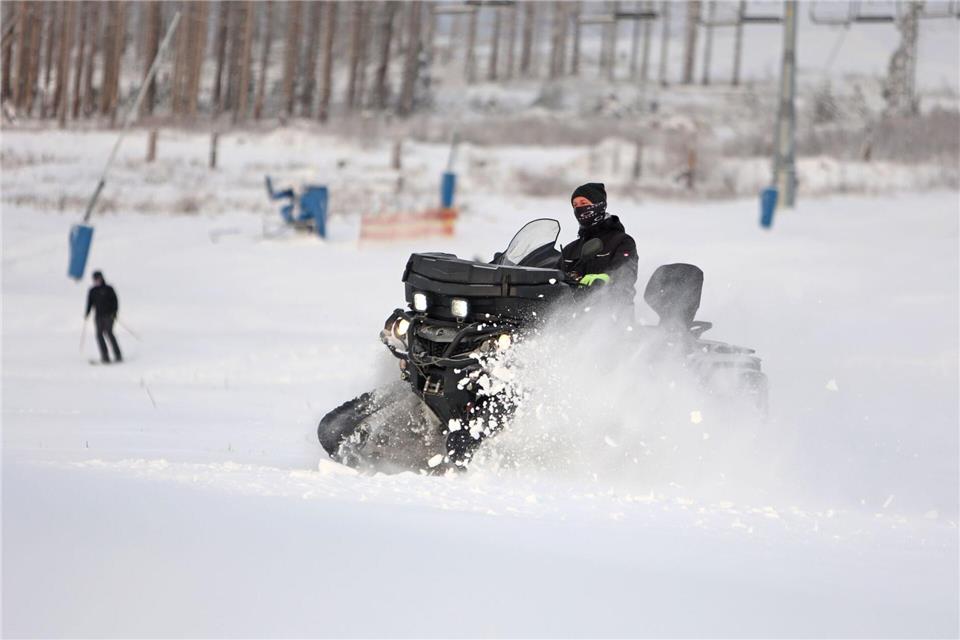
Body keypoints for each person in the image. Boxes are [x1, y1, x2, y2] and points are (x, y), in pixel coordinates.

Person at [561, 183, 639, 310]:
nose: (579, 208)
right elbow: (554, 278)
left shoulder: (622, 242)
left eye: (584, 203)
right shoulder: (570, 250)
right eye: (575, 205)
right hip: (570, 313)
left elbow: (626, 275)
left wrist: (605, 279)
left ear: (599, 205)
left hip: (612, 313)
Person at [85, 270, 122, 364]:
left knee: (109, 332)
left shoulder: (109, 289)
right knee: (99, 335)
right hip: (98, 316)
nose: (97, 281)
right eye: (95, 279)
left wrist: (114, 312)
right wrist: (87, 313)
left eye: (98, 278)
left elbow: (115, 301)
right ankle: (105, 356)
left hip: (109, 315)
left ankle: (118, 355)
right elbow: (89, 303)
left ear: (102, 278)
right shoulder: (92, 291)